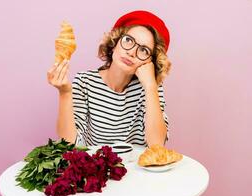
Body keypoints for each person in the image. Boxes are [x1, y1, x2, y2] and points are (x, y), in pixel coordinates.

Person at [47, 10, 172, 147]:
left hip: (139, 168)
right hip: (96, 167)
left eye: (144, 50)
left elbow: (157, 145)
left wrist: (150, 87)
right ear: (115, 43)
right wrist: (64, 93)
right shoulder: (85, 82)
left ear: (150, 61)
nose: (131, 52)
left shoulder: (151, 87)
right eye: (128, 40)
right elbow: (69, 144)